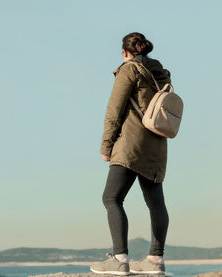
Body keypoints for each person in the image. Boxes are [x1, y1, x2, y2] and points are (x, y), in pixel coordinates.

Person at [90, 32, 171, 275]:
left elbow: (114, 111)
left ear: (125, 52)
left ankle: (119, 259)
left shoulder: (128, 70)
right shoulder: (162, 74)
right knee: (156, 202)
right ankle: (155, 260)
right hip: (157, 144)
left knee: (111, 198)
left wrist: (106, 147)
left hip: (130, 144)